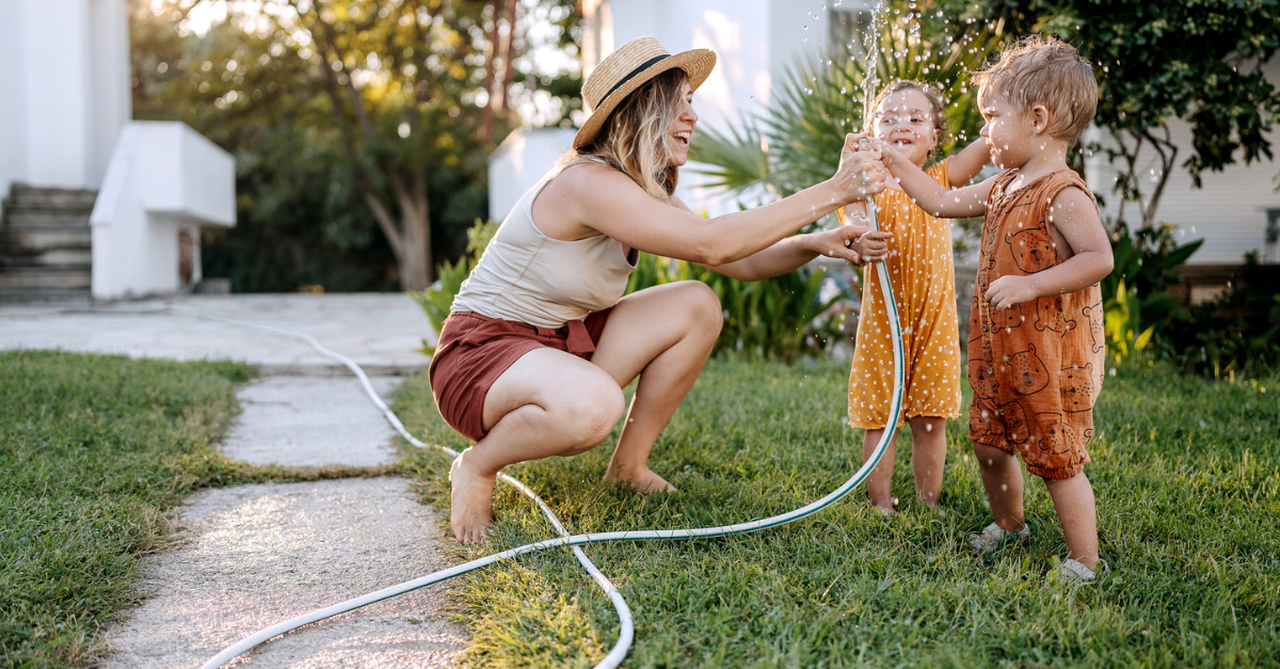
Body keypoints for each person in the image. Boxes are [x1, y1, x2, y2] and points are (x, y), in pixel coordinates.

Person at [429, 36, 891, 544]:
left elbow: (742, 260)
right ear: (643, 109)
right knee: (593, 407)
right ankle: (476, 466)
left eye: (693, 102)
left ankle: (628, 468)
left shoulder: (638, 189)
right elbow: (713, 245)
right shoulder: (587, 184)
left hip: (556, 345)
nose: (693, 116)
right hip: (481, 356)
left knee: (696, 304)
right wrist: (835, 189)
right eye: (681, 102)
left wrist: (817, 242)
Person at [874, 35, 1112, 583]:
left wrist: (1032, 286)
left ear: (1036, 118)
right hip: (997, 348)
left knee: (1056, 458)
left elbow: (1099, 258)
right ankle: (1010, 524)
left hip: (1045, 355)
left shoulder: (1063, 193)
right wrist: (891, 159)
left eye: (990, 120)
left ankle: (1085, 560)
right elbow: (940, 201)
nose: (984, 133)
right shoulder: (1003, 183)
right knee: (988, 440)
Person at [841, 81, 991, 515]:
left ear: (935, 136)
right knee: (880, 417)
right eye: (887, 118)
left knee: (931, 418)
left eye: (915, 118)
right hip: (881, 323)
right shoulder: (865, 185)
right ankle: (881, 503)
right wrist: (860, 240)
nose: (900, 125)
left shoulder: (942, 177)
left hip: (934, 320)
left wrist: (1001, 112)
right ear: (871, 132)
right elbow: (850, 224)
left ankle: (929, 503)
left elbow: (985, 145)